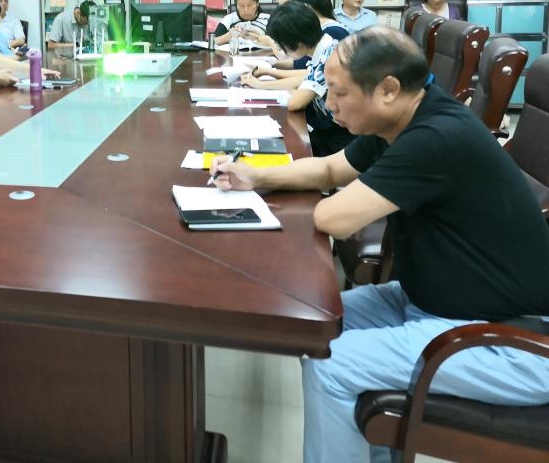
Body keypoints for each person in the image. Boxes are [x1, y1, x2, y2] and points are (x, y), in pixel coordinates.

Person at [211, 27, 549, 463]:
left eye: (339, 93)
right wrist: (256, 176)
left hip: (514, 341)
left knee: (331, 363)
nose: (329, 104)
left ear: (388, 89)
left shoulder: (435, 138)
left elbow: (332, 217)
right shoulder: (405, 117)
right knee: (314, 320)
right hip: (438, 304)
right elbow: (330, 170)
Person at [248, 1, 355, 156]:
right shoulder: (328, 44)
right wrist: (266, 78)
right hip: (335, 129)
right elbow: (305, 76)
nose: (280, 49)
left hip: (343, 137)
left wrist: (264, 85)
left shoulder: (328, 57)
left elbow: (295, 103)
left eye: (281, 44)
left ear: (296, 42)